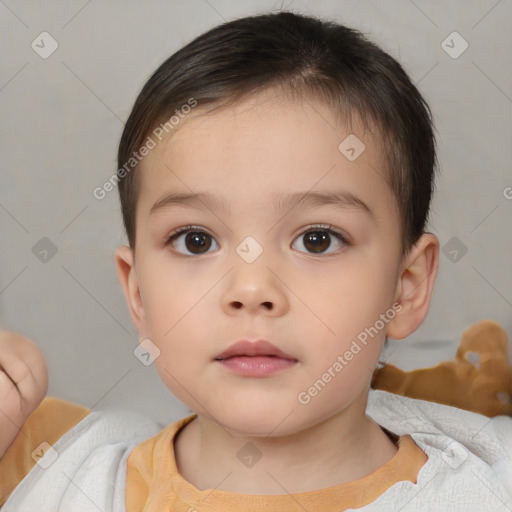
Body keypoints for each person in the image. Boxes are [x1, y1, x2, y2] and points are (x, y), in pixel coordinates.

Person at [1, 10, 511, 512]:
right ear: (138, 294)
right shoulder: (59, 475)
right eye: (195, 240)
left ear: (406, 287)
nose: (250, 288)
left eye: (317, 240)